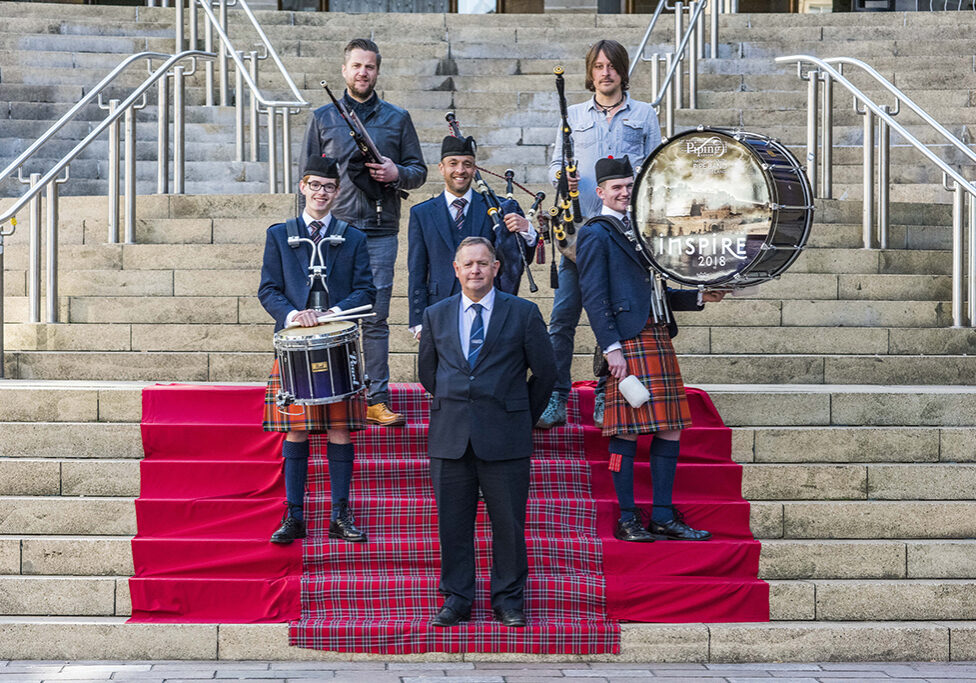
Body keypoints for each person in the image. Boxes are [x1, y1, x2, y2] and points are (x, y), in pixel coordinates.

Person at [576, 156, 725, 543]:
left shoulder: (647, 228)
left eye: (629, 186)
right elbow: (594, 296)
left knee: (671, 427)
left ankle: (662, 515)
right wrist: (611, 350)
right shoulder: (595, 232)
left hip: (657, 333)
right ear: (601, 192)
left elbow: (655, 289)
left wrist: (700, 295)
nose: (624, 192)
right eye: (617, 188)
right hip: (627, 340)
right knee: (624, 432)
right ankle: (627, 518)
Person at [418, 236, 556, 628]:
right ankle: (457, 598)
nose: (475, 270)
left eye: (483, 263)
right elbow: (428, 374)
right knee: (452, 524)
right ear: (456, 270)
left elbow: (545, 372)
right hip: (450, 436)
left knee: (509, 525)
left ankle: (508, 600)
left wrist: (518, 415)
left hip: (506, 435)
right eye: (468, 264)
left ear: (497, 268)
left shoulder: (523, 313)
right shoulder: (436, 314)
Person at [301, 38, 427, 427]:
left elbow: (418, 172)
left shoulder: (397, 117)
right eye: (356, 66)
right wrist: (304, 235)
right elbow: (304, 180)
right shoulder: (324, 117)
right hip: (332, 232)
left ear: (377, 71)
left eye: (369, 66)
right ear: (345, 70)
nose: (362, 72)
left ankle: (376, 398)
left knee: (374, 318)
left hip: (378, 230)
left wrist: (397, 173)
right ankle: (329, 396)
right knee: (327, 316)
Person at [538, 38, 662, 430]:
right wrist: (563, 177)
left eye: (611, 66)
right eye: (598, 66)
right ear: (590, 72)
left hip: (626, 235)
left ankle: (606, 393)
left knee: (614, 315)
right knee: (563, 316)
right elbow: (556, 164)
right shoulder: (573, 114)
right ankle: (556, 395)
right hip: (579, 234)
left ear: (622, 71)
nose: (605, 72)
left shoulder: (644, 114)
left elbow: (658, 169)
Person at [259, 155, 376, 545]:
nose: (321, 192)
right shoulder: (279, 234)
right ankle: (294, 516)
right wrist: (294, 315)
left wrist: (333, 312)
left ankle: (340, 515)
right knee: (295, 431)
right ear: (302, 187)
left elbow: (366, 291)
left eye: (328, 187)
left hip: (338, 343)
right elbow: (268, 290)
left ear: (337, 192)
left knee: (340, 429)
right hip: (294, 345)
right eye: (314, 185)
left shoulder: (353, 237)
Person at [407, 135, 537, 338]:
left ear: (475, 170)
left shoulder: (496, 208)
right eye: (453, 164)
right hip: (438, 308)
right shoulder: (421, 213)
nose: (460, 170)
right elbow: (417, 270)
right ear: (441, 168)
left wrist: (528, 230)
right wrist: (418, 321)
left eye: (467, 164)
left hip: (486, 307)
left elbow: (518, 259)